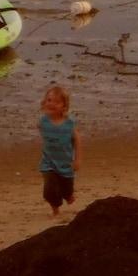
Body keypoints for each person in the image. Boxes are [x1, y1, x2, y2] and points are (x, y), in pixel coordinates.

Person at [38, 85, 82, 215]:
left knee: (66, 189)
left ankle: (68, 196)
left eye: (57, 102)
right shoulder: (42, 121)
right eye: (49, 100)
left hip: (66, 164)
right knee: (49, 189)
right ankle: (55, 209)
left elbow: (78, 140)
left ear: (64, 106)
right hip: (48, 163)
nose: (51, 104)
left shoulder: (69, 124)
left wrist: (77, 160)